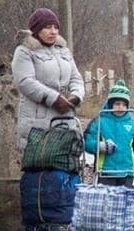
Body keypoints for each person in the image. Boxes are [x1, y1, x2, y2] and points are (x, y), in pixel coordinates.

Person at [12, 8, 85, 150]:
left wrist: (75, 96)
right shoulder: (24, 51)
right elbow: (25, 82)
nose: (53, 31)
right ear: (37, 30)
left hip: (65, 118)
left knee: (65, 164)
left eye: (56, 27)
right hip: (37, 120)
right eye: (47, 27)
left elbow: (76, 78)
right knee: (41, 167)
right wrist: (55, 99)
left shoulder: (63, 50)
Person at [83, 79, 134, 188]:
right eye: (117, 104)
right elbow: (87, 142)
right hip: (105, 171)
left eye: (124, 104)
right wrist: (101, 146)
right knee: (106, 203)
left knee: (126, 202)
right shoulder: (99, 122)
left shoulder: (132, 125)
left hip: (127, 172)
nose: (120, 107)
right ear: (110, 104)